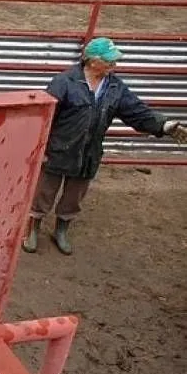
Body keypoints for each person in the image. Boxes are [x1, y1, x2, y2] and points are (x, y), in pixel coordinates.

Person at [22, 36, 187, 255]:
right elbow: (46, 117)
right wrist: (40, 148)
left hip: (89, 154)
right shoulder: (64, 82)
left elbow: (136, 112)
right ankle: (32, 228)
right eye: (109, 61)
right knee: (44, 191)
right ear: (92, 61)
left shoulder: (115, 88)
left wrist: (164, 125)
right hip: (59, 150)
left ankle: (62, 229)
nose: (114, 65)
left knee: (74, 196)